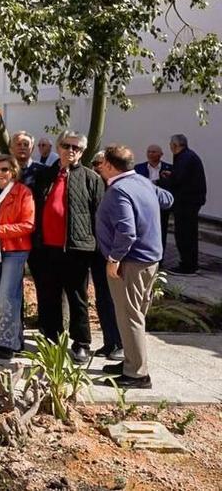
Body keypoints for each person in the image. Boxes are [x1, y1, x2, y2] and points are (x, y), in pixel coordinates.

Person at [96, 144, 172, 389]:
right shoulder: (142, 182)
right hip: (150, 258)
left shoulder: (119, 190)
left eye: (101, 163)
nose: (99, 168)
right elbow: (167, 199)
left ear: (109, 165)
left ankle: (137, 374)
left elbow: (126, 231)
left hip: (131, 262)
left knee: (130, 317)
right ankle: (131, 362)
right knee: (134, 315)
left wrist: (114, 259)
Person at [30, 131, 105, 364]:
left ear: (82, 152)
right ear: (58, 147)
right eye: (66, 145)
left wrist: (98, 250)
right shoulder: (45, 175)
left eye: (76, 147)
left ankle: (81, 343)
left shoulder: (91, 179)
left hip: (77, 249)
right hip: (46, 248)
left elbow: (99, 216)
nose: (70, 150)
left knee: (77, 297)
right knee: (48, 295)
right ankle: (51, 338)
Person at [0, 155, 35, 360]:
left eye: (5, 169)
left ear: (13, 171)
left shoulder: (23, 192)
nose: (0, 173)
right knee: (5, 296)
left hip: (16, 249)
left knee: (7, 296)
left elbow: (28, 225)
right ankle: (16, 339)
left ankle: (7, 343)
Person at [165, 133, 207, 275]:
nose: (170, 147)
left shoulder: (185, 157)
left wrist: (161, 182)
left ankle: (188, 266)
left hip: (187, 202)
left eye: (171, 144)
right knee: (187, 233)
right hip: (189, 200)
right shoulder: (187, 156)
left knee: (184, 235)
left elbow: (178, 180)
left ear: (175, 145)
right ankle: (189, 264)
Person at [135, 144, 173, 260]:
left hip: (161, 205)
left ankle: (159, 258)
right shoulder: (139, 168)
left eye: (154, 152)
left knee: (161, 231)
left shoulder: (169, 168)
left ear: (161, 155)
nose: (150, 154)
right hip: (144, 204)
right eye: (149, 152)